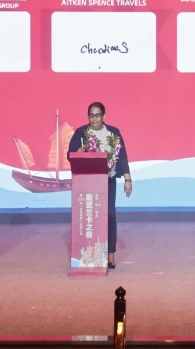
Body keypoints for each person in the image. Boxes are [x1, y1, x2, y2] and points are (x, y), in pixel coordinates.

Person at [68, 102, 131, 269]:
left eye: (97, 115)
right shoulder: (81, 133)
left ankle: (110, 255)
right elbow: (70, 154)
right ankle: (89, 254)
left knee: (109, 215)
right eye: (91, 115)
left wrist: (127, 179)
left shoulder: (113, 133)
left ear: (104, 116)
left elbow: (122, 156)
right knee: (90, 217)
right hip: (88, 182)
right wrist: (77, 153)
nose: (94, 119)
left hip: (108, 179)